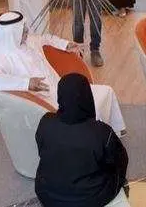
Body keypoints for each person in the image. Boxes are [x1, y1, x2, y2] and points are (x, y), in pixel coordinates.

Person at [0, 11, 126, 134]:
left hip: (58, 89)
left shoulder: (28, 41)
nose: (26, 31)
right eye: (22, 29)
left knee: (106, 91)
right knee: (87, 106)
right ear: (11, 33)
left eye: (24, 27)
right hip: (42, 102)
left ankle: (112, 131)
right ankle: (93, 138)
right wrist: (26, 83)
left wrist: (66, 44)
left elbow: (46, 38)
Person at [35, 73, 129, 207]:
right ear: (87, 96)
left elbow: (41, 152)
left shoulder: (45, 122)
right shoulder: (101, 132)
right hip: (91, 199)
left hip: (48, 195)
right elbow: (120, 160)